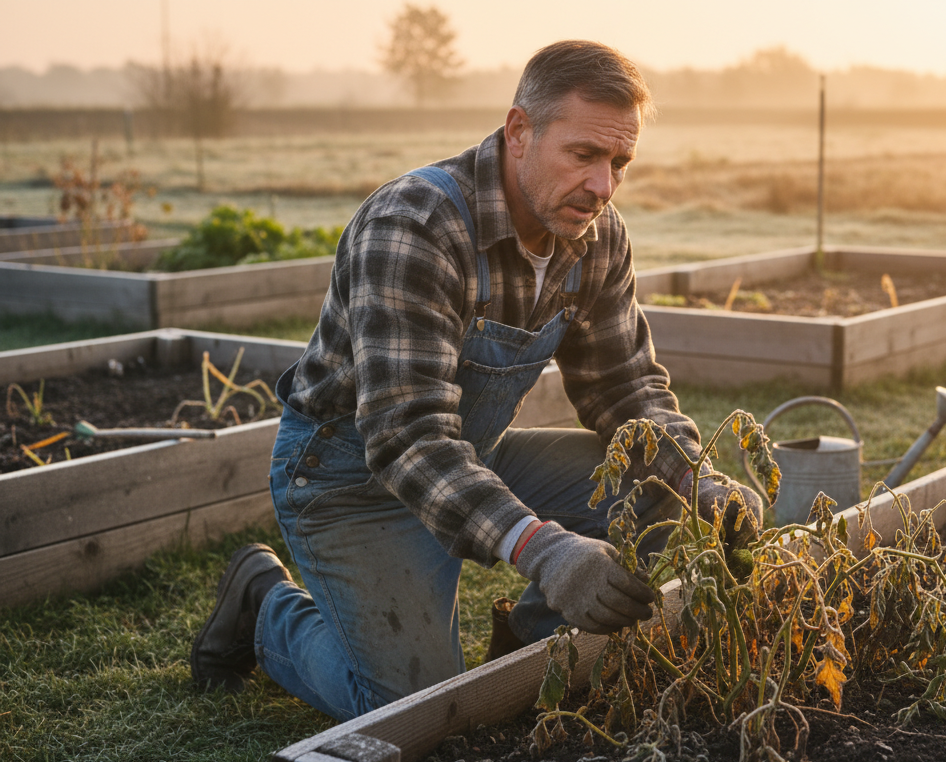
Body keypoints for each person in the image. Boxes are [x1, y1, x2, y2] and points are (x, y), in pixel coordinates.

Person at [189, 40, 761, 721]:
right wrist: (545, 550)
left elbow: (626, 389)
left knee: (657, 486)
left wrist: (703, 481)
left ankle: (522, 656)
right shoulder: (416, 227)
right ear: (520, 132)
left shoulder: (597, 234)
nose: (603, 186)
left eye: (619, 162)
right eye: (583, 155)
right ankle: (265, 606)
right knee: (415, 708)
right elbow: (406, 437)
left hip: (470, 457)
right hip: (351, 481)